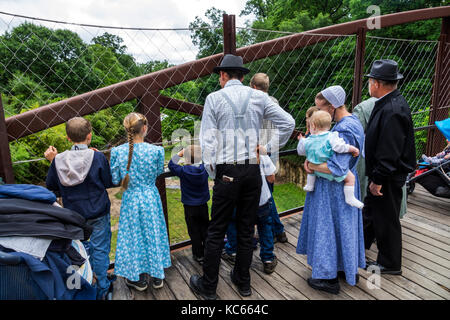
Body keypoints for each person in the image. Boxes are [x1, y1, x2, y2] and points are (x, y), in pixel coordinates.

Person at [189, 54, 295, 300]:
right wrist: (268, 147)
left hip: (228, 170)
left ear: (223, 75)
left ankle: (208, 286)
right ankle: (243, 281)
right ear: (244, 76)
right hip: (252, 171)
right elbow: (288, 123)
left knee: (216, 231)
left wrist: (214, 172)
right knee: (248, 229)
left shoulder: (214, 98)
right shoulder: (259, 96)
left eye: (220, 75)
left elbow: (207, 139)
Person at [297, 85, 365, 295]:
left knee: (328, 229)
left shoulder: (345, 129)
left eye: (320, 108)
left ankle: (328, 278)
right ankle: (343, 267)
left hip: (333, 191)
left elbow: (337, 167)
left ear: (332, 107)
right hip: (341, 189)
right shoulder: (352, 122)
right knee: (342, 229)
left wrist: (311, 165)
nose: (318, 114)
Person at [44, 117, 113, 300]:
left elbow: (53, 186)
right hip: (98, 212)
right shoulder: (97, 156)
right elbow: (107, 181)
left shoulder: (58, 160)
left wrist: (53, 161)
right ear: (89, 136)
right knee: (100, 249)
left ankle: (83, 286)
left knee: (78, 251)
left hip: (73, 215)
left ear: (67, 138)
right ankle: (103, 289)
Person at [363, 59, 416, 275]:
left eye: (370, 81)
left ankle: (390, 263)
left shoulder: (392, 109)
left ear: (376, 83)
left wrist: (378, 179)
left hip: (387, 176)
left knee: (387, 219)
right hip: (385, 174)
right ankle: (358, 248)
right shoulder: (389, 103)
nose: (369, 85)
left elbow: (389, 151)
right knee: (371, 213)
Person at [110, 112, 171, 291]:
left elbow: (115, 179)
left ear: (126, 129)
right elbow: (159, 171)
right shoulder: (157, 150)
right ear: (145, 128)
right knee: (153, 232)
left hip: (131, 198)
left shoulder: (117, 152)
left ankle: (137, 279)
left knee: (133, 237)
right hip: (151, 197)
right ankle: (157, 275)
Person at [222, 151, 278, 274]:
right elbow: (271, 178)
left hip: (240, 202)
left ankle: (232, 251)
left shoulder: (231, 154)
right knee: (265, 227)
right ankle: (268, 259)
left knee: (233, 223)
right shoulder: (260, 154)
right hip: (262, 200)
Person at [353, 98, 408, 218]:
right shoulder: (400, 104)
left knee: (369, 196)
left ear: (376, 84)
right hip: (395, 162)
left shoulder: (363, 108)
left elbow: (355, 134)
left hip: (371, 160)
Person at [297, 110, 364, 209]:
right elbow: (340, 147)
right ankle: (350, 198)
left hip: (315, 172)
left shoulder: (308, 140)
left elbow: (301, 151)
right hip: (329, 171)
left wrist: (301, 141)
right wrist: (352, 149)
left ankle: (309, 185)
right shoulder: (332, 136)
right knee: (351, 178)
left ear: (313, 126)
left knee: (311, 172)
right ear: (329, 126)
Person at [249, 72, 287, 243]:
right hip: (271, 153)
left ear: (254, 87)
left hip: (260, 154)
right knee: (267, 194)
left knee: (265, 198)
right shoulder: (275, 102)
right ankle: (277, 231)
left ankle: (276, 231)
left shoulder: (255, 103)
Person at [168, 145, 210, 265]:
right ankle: (208, 251)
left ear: (186, 159)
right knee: (205, 228)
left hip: (190, 206)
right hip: (203, 204)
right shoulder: (204, 169)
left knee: (194, 230)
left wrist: (179, 153)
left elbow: (171, 164)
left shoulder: (183, 171)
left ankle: (198, 254)